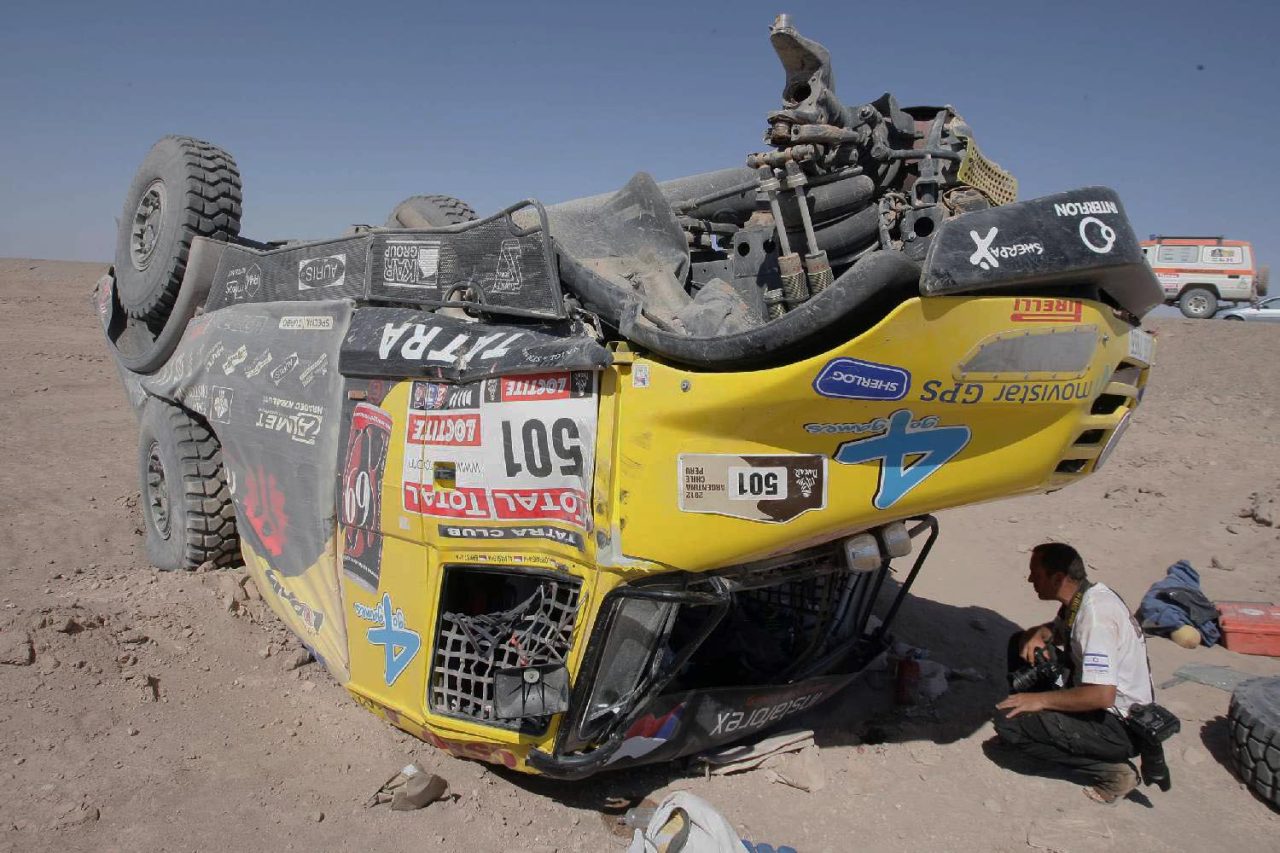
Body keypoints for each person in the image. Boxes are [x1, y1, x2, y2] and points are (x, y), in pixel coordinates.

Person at [993, 542, 1154, 804]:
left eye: (1036, 573)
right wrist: (1040, 633)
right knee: (1021, 642)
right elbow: (1061, 631)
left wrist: (1039, 700)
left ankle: (1113, 772)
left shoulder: (1095, 617)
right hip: (1098, 701)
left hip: (1116, 725)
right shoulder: (1085, 597)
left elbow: (1102, 695)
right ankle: (1035, 723)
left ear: (1058, 578)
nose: (1030, 579)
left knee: (1007, 725)